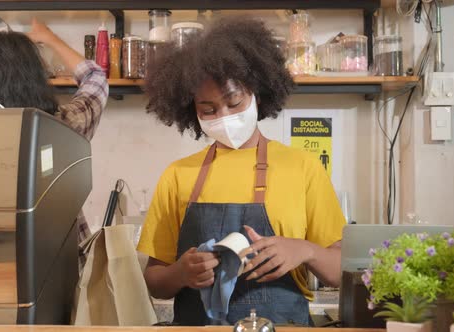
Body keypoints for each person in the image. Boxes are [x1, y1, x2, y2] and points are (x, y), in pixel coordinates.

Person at [137, 18, 346, 326]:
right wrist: (181, 272)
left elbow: (342, 270)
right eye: (208, 110)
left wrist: (305, 250)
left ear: (257, 94)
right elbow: (155, 280)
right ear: (191, 110)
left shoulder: (302, 168)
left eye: (234, 102)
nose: (224, 116)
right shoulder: (178, 175)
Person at [0, 19, 108, 269]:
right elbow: (96, 78)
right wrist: (49, 38)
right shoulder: (61, 126)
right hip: (59, 276)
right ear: (33, 80)